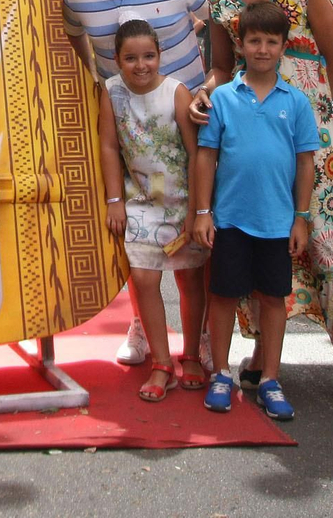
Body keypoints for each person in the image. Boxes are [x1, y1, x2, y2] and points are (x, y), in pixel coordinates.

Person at [191, 0, 333, 418]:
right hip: (244, 132)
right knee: (249, 239)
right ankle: (257, 354)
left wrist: (313, 110)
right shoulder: (221, 0)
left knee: (318, 240)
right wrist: (209, 89)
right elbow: (221, 66)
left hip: (303, 137)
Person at [63, 0, 211, 368]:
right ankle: (142, 326)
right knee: (141, 241)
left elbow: (220, 11)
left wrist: (213, 78)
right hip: (133, 135)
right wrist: (94, 75)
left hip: (191, 124)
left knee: (194, 242)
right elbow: (72, 32)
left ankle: (200, 337)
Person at [191, 0, 317, 420]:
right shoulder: (223, 98)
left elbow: (305, 162)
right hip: (229, 219)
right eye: (254, 41)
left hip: (277, 222)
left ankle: (270, 378)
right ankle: (222, 372)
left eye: (271, 41)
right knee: (223, 295)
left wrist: (301, 218)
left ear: (284, 47)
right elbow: (206, 157)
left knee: (273, 298)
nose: (262, 49)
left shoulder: (297, 103)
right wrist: (203, 212)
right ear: (240, 45)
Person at [98, 20, 208, 401]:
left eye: (148, 56)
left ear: (160, 56)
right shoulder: (110, 92)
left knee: (190, 280)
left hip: (184, 202)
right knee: (144, 279)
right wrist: (114, 200)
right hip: (141, 202)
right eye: (131, 58)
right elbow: (110, 147)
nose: (141, 65)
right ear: (117, 59)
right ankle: (162, 362)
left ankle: (191, 354)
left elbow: (197, 153)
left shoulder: (176, 92)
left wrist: (200, 211)